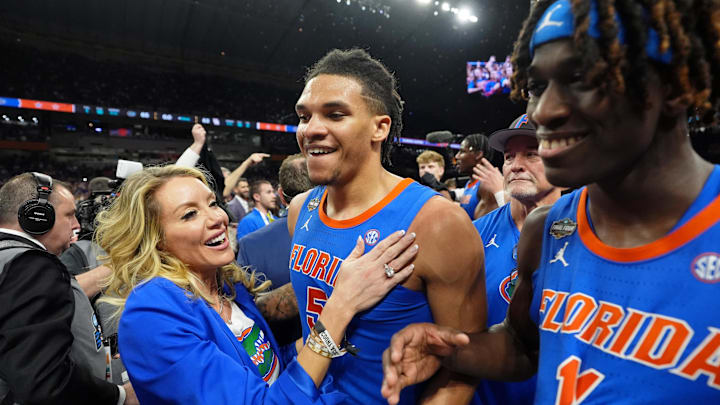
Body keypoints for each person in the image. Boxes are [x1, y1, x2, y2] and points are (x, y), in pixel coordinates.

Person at [382, 0, 720, 403]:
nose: (543, 111)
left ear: (672, 86)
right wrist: (453, 348)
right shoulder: (547, 228)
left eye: (582, 77)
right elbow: (525, 346)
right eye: (538, 86)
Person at [94, 165, 419, 404]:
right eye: (190, 214)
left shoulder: (225, 286)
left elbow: (266, 363)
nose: (217, 218)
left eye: (211, 202)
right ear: (156, 240)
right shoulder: (151, 312)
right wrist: (340, 307)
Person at [291, 48, 485, 405]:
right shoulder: (299, 209)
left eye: (335, 114)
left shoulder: (438, 223)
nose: (311, 130)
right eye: (304, 116)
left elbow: (463, 369)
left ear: (380, 127)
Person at [0, 172, 137, 404]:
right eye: (69, 215)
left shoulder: (10, 259)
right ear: (38, 216)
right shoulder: (31, 265)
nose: (76, 225)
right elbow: (44, 379)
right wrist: (120, 396)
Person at [470, 114, 562, 405]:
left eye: (532, 154)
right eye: (509, 157)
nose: (516, 165)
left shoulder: (586, 230)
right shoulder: (473, 233)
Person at [237, 154, 313, 346]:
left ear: (280, 194)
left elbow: (244, 316)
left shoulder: (251, 244)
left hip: (280, 361)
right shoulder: (354, 232)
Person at [455, 133, 503, 219]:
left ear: (478, 155)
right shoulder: (470, 183)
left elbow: (483, 229)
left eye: (462, 151)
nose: (457, 156)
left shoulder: (486, 186)